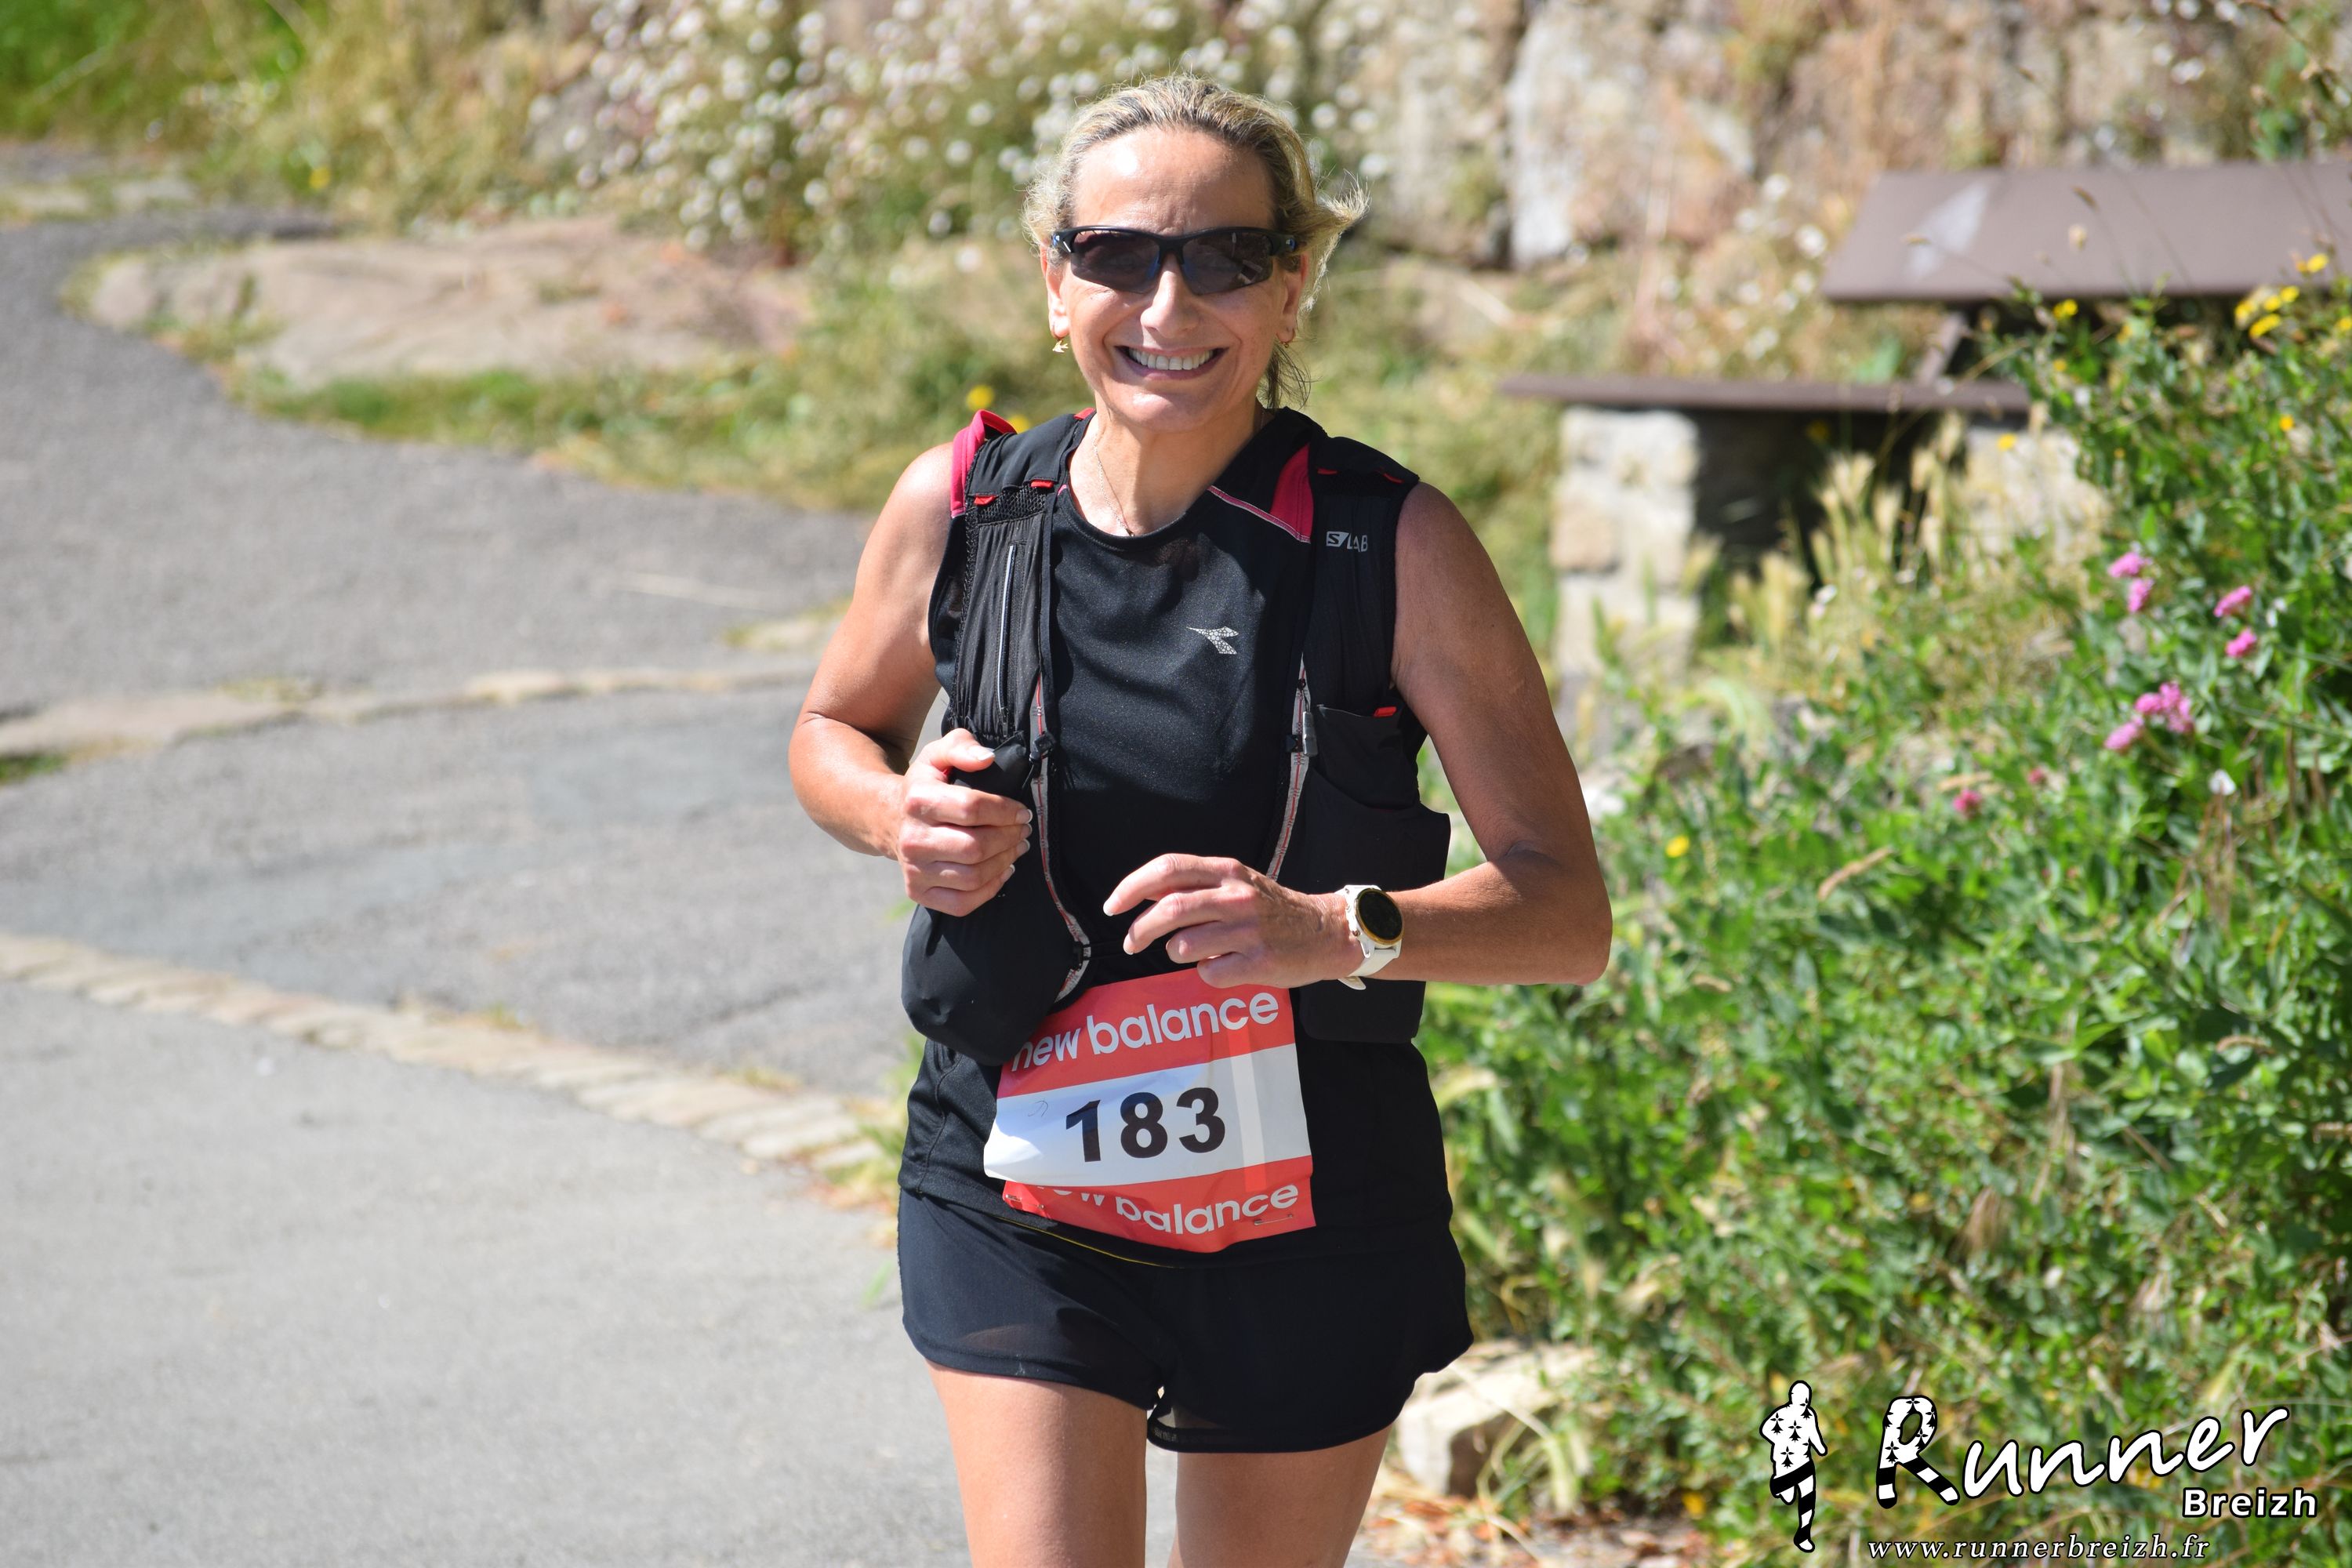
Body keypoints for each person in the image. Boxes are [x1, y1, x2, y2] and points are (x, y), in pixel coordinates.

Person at [789, 71, 1610, 1568]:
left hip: (1310, 1195)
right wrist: (896, 812)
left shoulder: (1389, 544)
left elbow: (1566, 915)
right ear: (1056, 283)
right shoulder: (965, 505)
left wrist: (1334, 931)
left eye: (1228, 257)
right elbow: (830, 730)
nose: (1168, 303)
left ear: (1292, 291)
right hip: (1017, 1175)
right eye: (1117, 254)